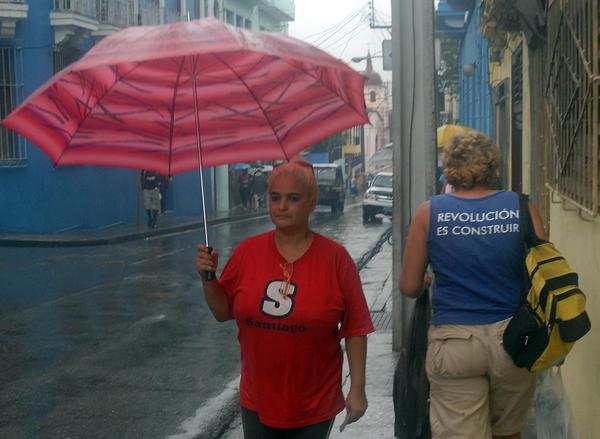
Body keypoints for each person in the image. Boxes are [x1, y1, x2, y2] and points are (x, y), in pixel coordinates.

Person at [196, 158, 374, 438]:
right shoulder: (247, 253)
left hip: (315, 402)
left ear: (312, 202)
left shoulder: (336, 260)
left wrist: (358, 389)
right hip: (258, 400)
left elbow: (356, 329)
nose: (281, 206)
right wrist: (208, 278)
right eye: (275, 197)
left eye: (293, 198)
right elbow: (222, 311)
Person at [399, 131, 547, 439]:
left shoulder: (430, 212)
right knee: (508, 433)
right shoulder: (521, 208)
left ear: (449, 166)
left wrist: (431, 277)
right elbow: (543, 276)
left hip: (455, 344)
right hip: (514, 340)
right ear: (493, 165)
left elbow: (409, 287)